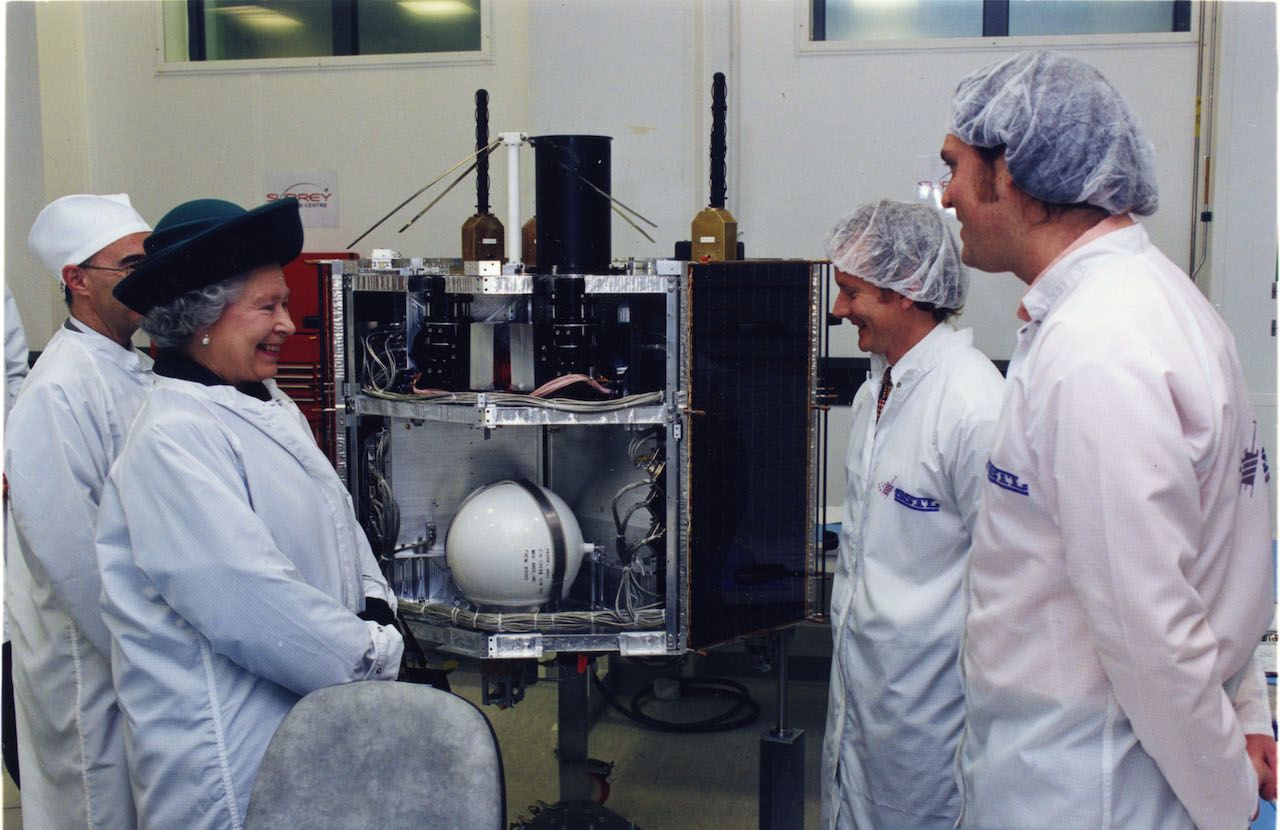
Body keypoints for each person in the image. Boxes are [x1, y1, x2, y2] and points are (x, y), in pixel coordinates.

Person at [940, 51, 1274, 829]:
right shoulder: (1146, 303)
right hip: (1095, 763)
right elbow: (1220, 556)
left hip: (1089, 786)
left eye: (956, 166)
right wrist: (1247, 713)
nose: (948, 193)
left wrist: (1228, 799)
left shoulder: (1099, 347)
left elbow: (1148, 632)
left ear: (1012, 172)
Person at [95, 197, 404, 830]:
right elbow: (250, 600)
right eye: (268, 307)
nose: (288, 324)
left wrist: (375, 605)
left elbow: (339, 520)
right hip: (227, 745)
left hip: (311, 709)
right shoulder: (172, 436)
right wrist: (372, 654)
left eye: (285, 304)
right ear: (202, 318)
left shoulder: (264, 403)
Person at [819, 199, 1004, 829]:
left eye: (852, 293)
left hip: (932, 718)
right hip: (863, 694)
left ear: (907, 292)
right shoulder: (878, 389)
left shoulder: (973, 406)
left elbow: (1010, 585)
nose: (838, 310)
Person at [6, 193, 152, 827]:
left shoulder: (133, 369)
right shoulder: (59, 389)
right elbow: (72, 557)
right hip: (87, 661)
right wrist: (146, 652)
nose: (150, 278)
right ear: (77, 280)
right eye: (130, 265)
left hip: (131, 652)